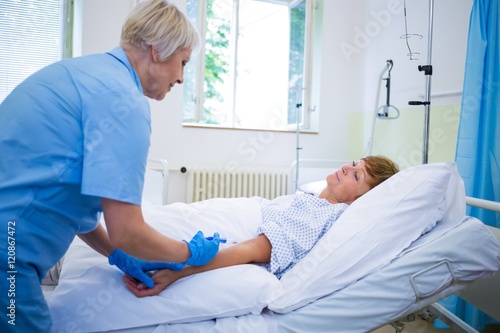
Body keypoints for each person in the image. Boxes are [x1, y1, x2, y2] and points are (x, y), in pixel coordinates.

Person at [0, 1, 220, 332]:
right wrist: (188, 253)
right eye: (183, 63)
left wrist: (116, 254)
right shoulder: (125, 102)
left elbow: (64, 198)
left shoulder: (80, 73)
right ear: (158, 50)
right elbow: (128, 231)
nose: (180, 77)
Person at [122, 155, 400, 297]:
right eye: (354, 163)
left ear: (361, 200)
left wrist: (178, 270)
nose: (346, 168)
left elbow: (253, 250)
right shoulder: (313, 201)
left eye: (357, 175)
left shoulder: (321, 215)